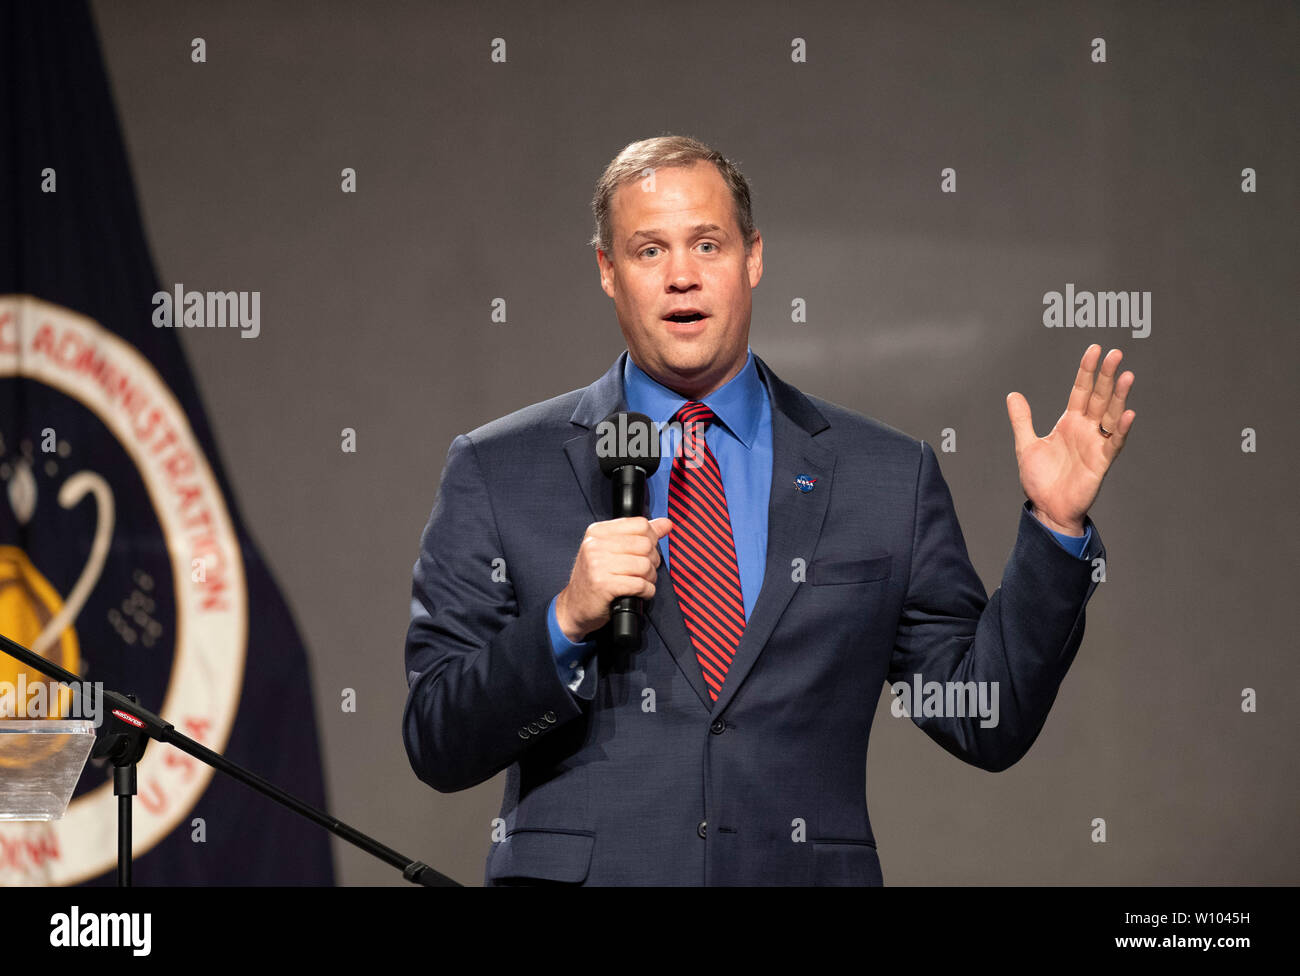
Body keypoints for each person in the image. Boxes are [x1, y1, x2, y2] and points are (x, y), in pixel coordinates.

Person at [401, 134, 1136, 885]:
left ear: (753, 258)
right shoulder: (500, 468)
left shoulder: (884, 475)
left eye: (707, 244)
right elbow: (437, 740)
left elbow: (986, 719)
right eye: (649, 251)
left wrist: (1056, 528)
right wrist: (564, 622)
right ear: (607, 271)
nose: (681, 276)